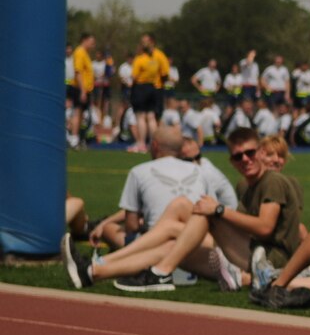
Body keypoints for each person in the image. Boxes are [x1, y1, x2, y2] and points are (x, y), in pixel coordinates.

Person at [66, 126, 239, 292]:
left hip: (189, 241)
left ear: (154, 145)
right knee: (174, 226)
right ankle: (92, 271)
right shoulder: (202, 171)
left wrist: (108, 223)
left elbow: (132, 226)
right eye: (238, 156)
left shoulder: (138, 171)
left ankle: (99, 263)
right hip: (194, 241)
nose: (244, 160)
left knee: (117, 230)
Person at [128, 32, 171, 153]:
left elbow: (134, 76)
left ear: (151, 41)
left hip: (142, 88)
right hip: (154, 88)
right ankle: (154, 143)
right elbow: (165, 74)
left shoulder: (141, 57)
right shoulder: (158, 55)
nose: (142, 43)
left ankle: (141, 143)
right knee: (151, 117)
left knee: (141, 116)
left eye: (144, 41)